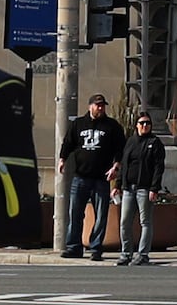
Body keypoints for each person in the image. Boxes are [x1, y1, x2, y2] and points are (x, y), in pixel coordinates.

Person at [61, 97, 126, 258]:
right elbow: (68, 143)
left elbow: (120, 148)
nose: (100, 108)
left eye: (102, 106)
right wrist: (62, 159)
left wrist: (115, 167)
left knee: (101, 215)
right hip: (80, 176)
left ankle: (96, 247)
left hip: (101, 178)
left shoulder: (112, 126)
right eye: (97, 106)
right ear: (90, 106)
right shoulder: (78, 124)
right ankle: (74, 247)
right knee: (75, 213)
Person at [118, 111, 172, 265]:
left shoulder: (155, 143)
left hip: (145, 189)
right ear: (136, 125)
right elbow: (124, 164)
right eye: (142, 123)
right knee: (125, 222)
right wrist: (118, 185)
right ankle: (126, 253)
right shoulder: (130, 142)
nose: (145, 126)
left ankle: (143, 254)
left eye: (148, 123)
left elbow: (158, 167)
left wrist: (154, 188)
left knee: (145, 222)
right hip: (129, 188)